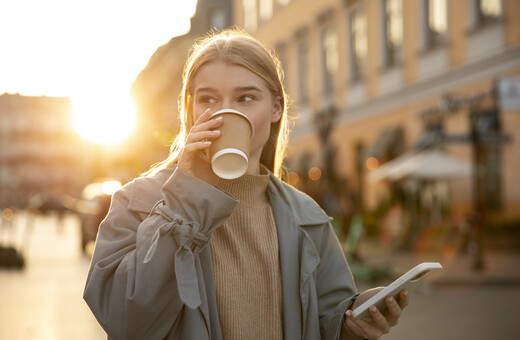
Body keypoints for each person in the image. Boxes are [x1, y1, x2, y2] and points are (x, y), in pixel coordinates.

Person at [83, 28, 409, 340]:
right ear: (189, 111)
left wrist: (355, 323)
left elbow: (325, 323)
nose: (223, 114)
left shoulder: (305, 215)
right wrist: (188, 196)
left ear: (276, 109)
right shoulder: (136, 202)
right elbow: (126, 323)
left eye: (246, 98)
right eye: (208, 100)